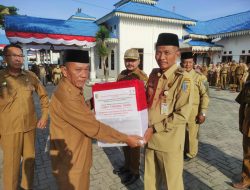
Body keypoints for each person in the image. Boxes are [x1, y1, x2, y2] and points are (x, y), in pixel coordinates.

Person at [49, 49, 143, 190]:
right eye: (78, 70)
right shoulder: (68, 96)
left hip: (76, 155)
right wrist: (125, 138)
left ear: (138, 61)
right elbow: (95, 128)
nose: (84, 75)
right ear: (64, 70)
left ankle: (133, 170)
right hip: (72, 163)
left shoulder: (72, 88)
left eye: (86, 69)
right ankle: (129, 166)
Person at [143, 33, 194, 190]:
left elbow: (181, 114)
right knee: (150, 183)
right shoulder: (153, 74)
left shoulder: (183, 79)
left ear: (177, 54)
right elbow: (144, 102)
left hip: (169, 143)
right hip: (149, 139)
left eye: (167, 52)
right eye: (158, 52)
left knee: (172, 185)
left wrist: (155, 128)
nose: (161, 57)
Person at [0, 44, 49, 190]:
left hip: (29, 127)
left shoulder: (30, 76)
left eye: (20, 56)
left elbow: (44, 96)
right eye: (14, 55)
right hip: (9, 130)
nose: (18, 59)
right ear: (5, 58)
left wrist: (45, 115)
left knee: (29, 162)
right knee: (11, 167)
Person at [113, 48, 148, 185]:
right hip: (123, 116)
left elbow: (145, 98)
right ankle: (127, 166)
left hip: (135, 117)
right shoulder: (121, 75)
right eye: (127, 60)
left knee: (134, 147)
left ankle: (135, 172)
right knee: (124, 143)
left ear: (138, 61)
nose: (130, 63)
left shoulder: (142, 77)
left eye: (133, 60)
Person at [180, 52, 209, 160]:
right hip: (181, 110)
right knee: (181, 132)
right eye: (185, 62)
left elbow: (205, 96)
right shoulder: (179, 75)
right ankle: (182, 150)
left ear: (193, 63)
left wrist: (203, 112)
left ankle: (191, 153)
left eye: (190, 62)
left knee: (192, 133)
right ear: (181, 63)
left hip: (194, 111)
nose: (187, 65)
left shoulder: (200, 77)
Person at [233, 71, 250, 189]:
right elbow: (242, 105)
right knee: (248, 154)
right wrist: (241, 123)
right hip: (249, 126)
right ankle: (246, 179)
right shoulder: (248, 85)